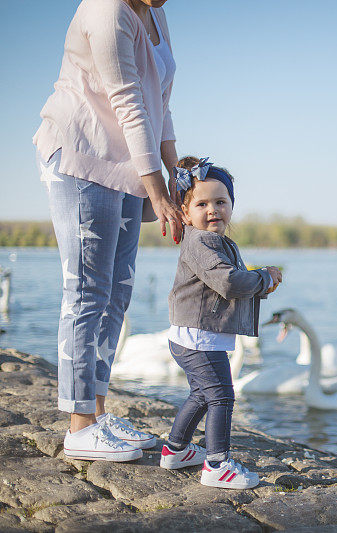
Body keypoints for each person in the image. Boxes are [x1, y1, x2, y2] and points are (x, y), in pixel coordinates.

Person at [33, 0, 185, 461]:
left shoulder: (154, 12)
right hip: (83, 156)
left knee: (117, 290)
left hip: (126, 166)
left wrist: (174, 169)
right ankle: (79, 427)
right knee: (87, 290)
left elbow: (158, 98)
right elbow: (127, 100)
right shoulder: (106, 10)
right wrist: (158, 189)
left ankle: (97, 414)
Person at [159, 156, 282, 489]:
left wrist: (259, 282)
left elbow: (227, 284)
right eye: (202, 203)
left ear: (231, 206)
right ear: (185, 213)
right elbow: (228, 282)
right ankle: (216, 465)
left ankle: (175, 449)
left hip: (194, 333)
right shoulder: (201, 241)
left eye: (220, 201)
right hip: (198, 337)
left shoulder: (212, 241)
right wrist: (262, 277)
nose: (212, 209)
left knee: (202, 393)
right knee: (222, 397)